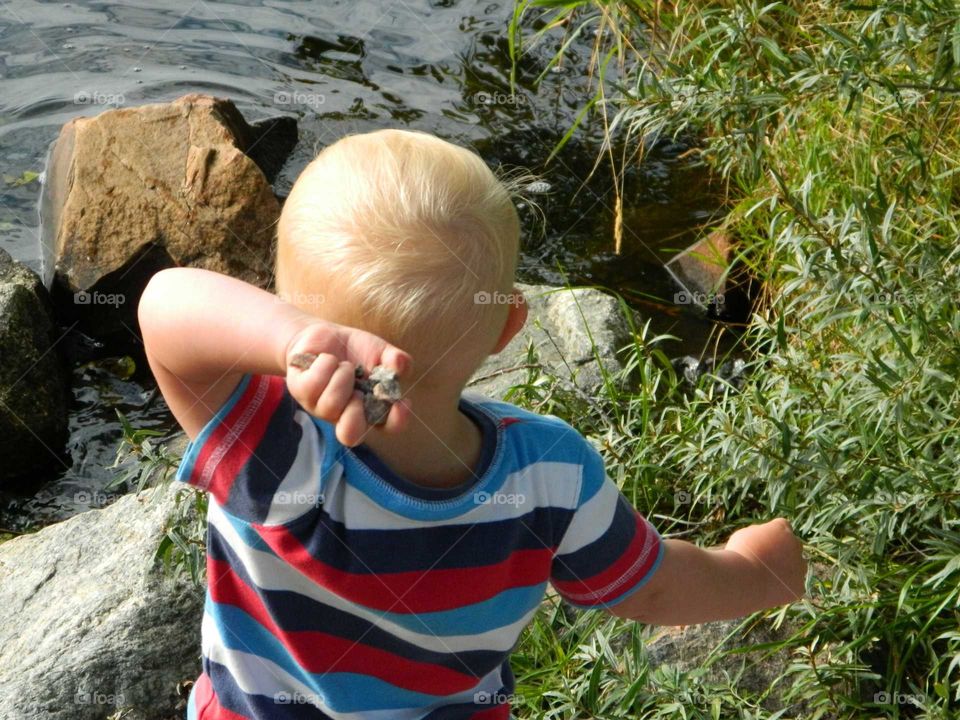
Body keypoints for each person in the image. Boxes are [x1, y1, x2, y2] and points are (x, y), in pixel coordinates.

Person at [138, 129, 806, 720]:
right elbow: (654, 589)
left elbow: (165, 307)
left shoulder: (284, 450)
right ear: (511, 325)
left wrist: (290, 338)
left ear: (281, 308)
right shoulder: (548, 474)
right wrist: (753, 571)